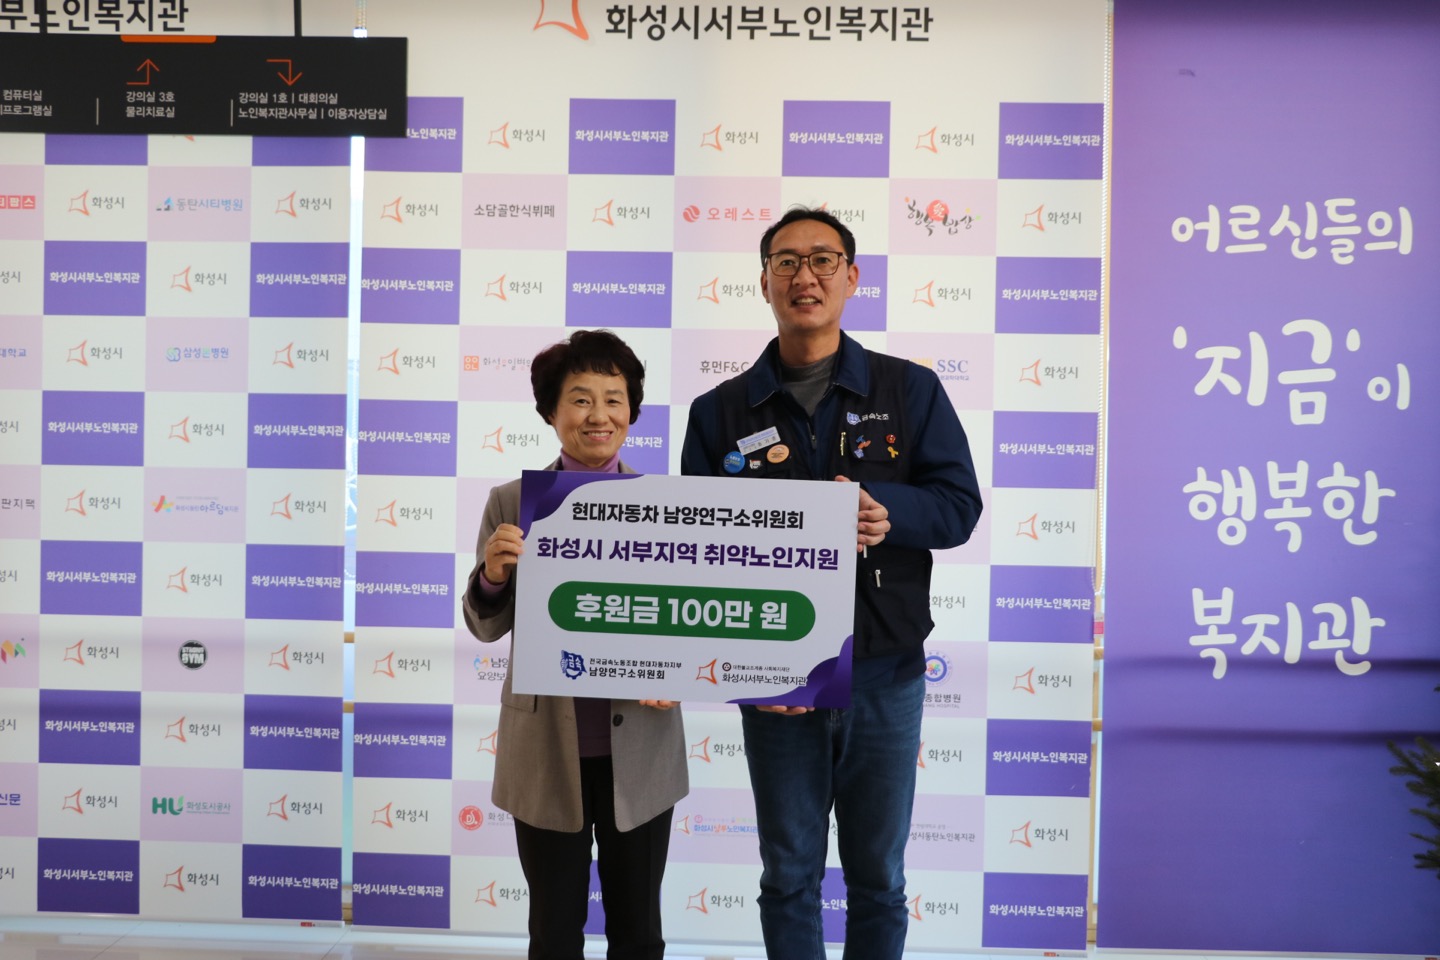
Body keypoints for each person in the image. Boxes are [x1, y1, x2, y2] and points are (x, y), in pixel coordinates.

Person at [680, 207, 983, 960]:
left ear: (852, 277)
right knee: (788, 876)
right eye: (785, 262)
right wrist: (741, 665)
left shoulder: (910, 390)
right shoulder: (719, 412)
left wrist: (889, 511)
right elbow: (695, 554)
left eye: (821, 259)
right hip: (775, 678)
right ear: (764, 283)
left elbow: (958, 507)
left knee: (879, 878)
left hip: (885, 673)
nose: (803, 276)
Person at [462, 329, 687, 960]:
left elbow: (686, 624)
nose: (599, 415)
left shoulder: (666, 505)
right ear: (551, 412)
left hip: (641, 747)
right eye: (581, 399)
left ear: (632, 411)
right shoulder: (511, 501)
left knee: (638, 933)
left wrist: (680, 670)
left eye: (614, 399)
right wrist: (493, 575)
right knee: (554, 932)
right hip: (545, 749)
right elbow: (484, 625)